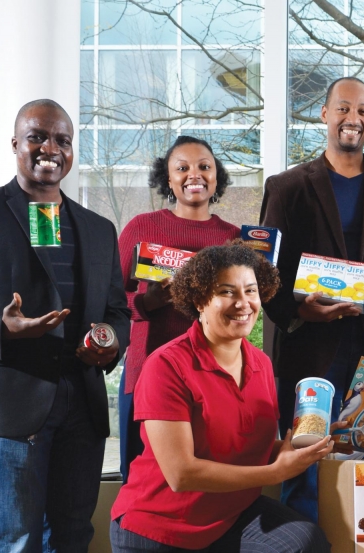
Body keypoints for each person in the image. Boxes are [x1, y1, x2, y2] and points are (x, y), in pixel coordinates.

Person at [0, 99, 131, 552]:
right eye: (37, 136)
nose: (50, 147)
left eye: (62, 140)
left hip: (83, 402)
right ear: (15, 144)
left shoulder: (98, 229)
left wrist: (109, 344)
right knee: (16, 535)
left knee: (73, 533)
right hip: (13, 400)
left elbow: (117, 312)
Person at [259, 76, 364, 521]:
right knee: (305, 465)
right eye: (345, 109)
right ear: (324, 115)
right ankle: (302, 543)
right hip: (311, 347)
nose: (354, 119)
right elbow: (265, 274)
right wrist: (297, 310)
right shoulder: (287, 187)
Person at [110, 241, 331, 552]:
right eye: (227, 292)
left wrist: (317, 440)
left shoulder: (261, 364)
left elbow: (252, 446)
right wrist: (275, 473)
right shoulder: (166, 365)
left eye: (251, 291)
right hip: (159, 528)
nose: (243, 303)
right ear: (200, 300)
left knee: (306, 543)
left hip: (228, 516)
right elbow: (181, 474)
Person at [116, 136, 241, 482]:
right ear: (168, 179)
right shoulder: (141, 227)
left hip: (212, 373)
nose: (194, 174)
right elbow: (109, 298)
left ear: (217, 176)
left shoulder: (233, 238)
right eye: (181, 168)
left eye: (204, 166)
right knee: (142, 476)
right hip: (149, 370)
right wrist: (147, 302)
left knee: (206, 474)